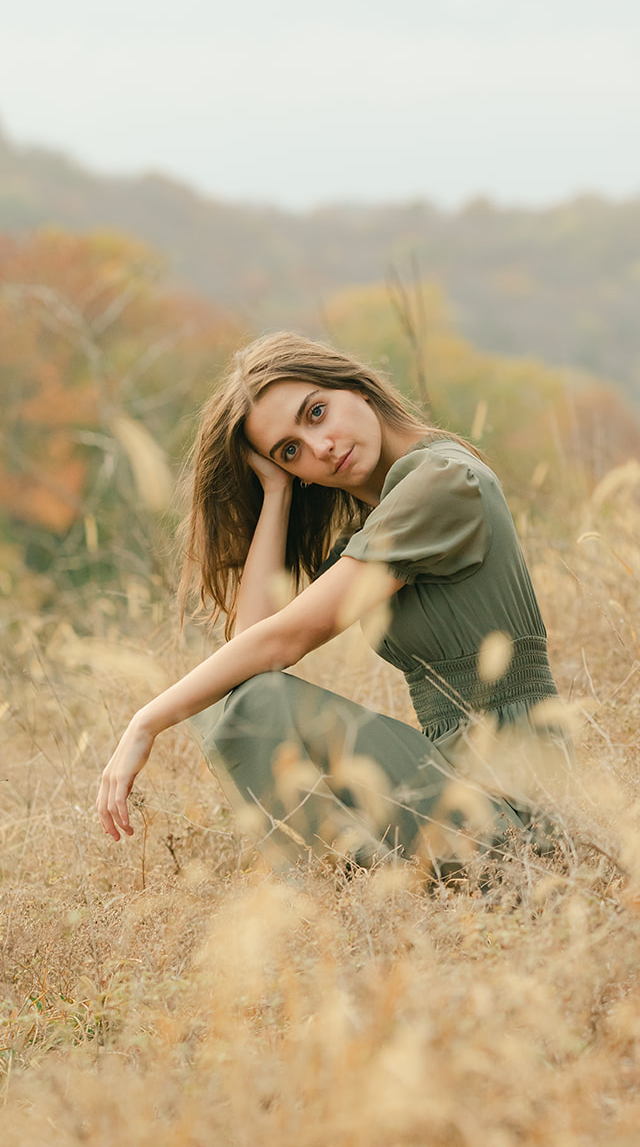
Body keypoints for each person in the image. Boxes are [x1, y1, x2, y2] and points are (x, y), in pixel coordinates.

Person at [97, 333, 566, 874]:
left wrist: (146, 721)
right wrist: (276, 492)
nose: (319, 448)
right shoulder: (379, 522)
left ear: (356, 387)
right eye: (290, 450)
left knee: (249, 706)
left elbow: (281, 643)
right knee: (246, 698)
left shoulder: (442, 483)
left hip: (522, 802)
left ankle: (343, 895)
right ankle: (359, 895)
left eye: (316, 413)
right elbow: (252, 641)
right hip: (455, 777)